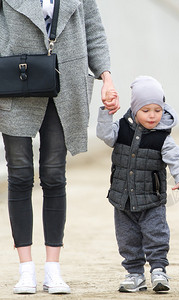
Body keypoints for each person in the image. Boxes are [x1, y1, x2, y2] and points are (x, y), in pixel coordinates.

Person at [0, 0, 119, 295]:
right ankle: (26, 269)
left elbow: (94, 30)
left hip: (64, 85)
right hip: (17, 80)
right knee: (20, 175)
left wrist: (106, 77)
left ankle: (53, 269)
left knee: (54, 176)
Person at [96, 75, 179, 293]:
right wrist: (107, 112)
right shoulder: (121, 128)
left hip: (151, 199)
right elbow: (104, 135)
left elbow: (175, 159)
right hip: (122, 198)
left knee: (156, 234)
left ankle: (159, 270)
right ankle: (134, 274)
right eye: (146, 110)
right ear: (134, 109)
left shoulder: (163, 137)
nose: (152, 115)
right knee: (127, 239)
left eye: (157, 110)